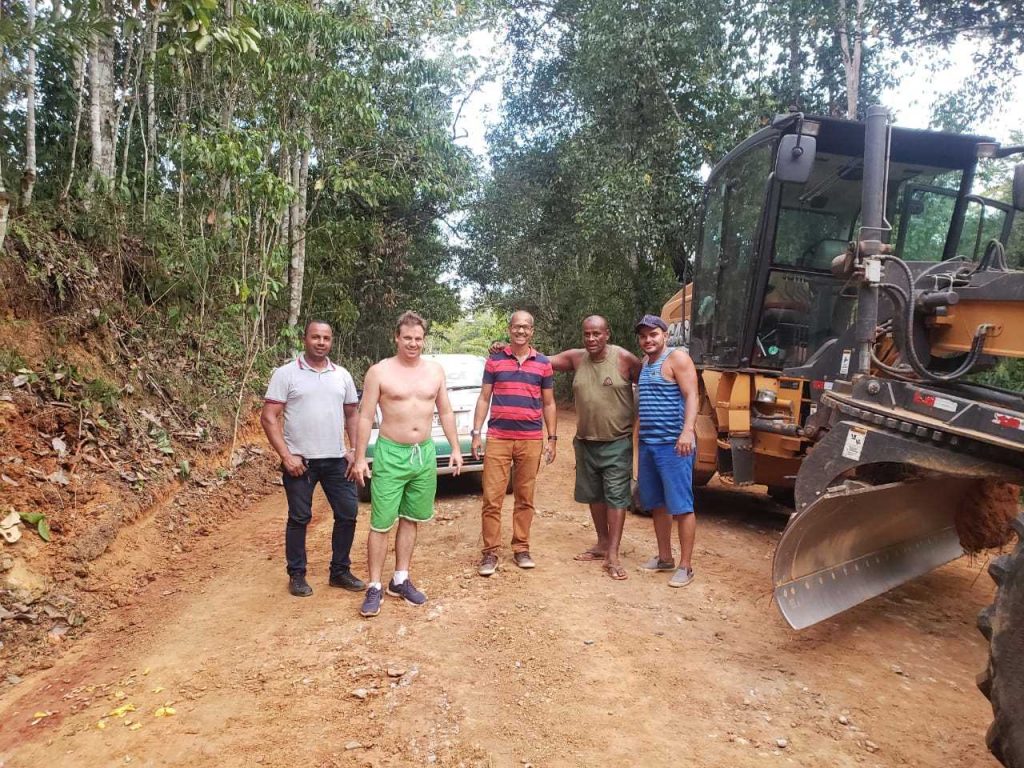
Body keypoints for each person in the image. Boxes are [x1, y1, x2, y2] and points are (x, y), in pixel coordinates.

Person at [349, 311, 463, 618]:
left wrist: (455, 447)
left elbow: (446, 412)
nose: (413, 343)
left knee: (411, 517)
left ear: (423, 339)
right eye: (407, 338)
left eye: (418, 338)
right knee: (381, 522)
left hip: (423, 454)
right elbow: (364, 415)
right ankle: (374, 585)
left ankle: (400, 578)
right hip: (390, 453)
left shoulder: (435, 372)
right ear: (396, 338)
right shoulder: (379, 372)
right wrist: (359, 457)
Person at [261, 320, 365, 597]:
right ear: (305, 339)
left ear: (331, 341)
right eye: (315, 337)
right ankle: (297, 574)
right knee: (300, 518)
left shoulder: (341, 375)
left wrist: (354, 451)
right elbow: (269, 417)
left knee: (348, 514)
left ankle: (340, 571)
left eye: (326, 338)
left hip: (336, 459)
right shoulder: (285, 374)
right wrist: (286, 456)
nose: (321, 342)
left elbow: (352, 414)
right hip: (300, 463)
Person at [544, 316, 641, 580]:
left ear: (607, 334)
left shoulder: (623, 359)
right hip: (586, 441)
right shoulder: (577, 358)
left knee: (617, 497)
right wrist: (507, 348)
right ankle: (601, 542)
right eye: (587, 334)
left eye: (596, 334)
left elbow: (649, 379)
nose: (591, 339)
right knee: (594, 495)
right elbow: (541, 360)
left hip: (617, 442)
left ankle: (613, 553)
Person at [472, 310, 556, 576]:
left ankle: (521, 548)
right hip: (498, 438)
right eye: (516, 327)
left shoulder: (543, 363)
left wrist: (551, 438)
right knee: (492, 498)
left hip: (531, 439)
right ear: (509, 329)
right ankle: (490, 553)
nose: (521, 331)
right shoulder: (495, 361)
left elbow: (549, 402)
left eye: (526, 327)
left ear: (532, 331)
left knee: (525, 497)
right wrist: (476, 433)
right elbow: (484, 398)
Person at [634, 314, 700, 587]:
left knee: (681, 505)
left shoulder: (678, 359)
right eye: (643, 336)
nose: (648, 340)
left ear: (665, 335)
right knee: (658, 504)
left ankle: (686, 566)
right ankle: (665, 557)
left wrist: (687, 431)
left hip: (674, 446)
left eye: (653, 334)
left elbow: (692, 395)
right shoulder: (646, 364)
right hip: (650, 444)